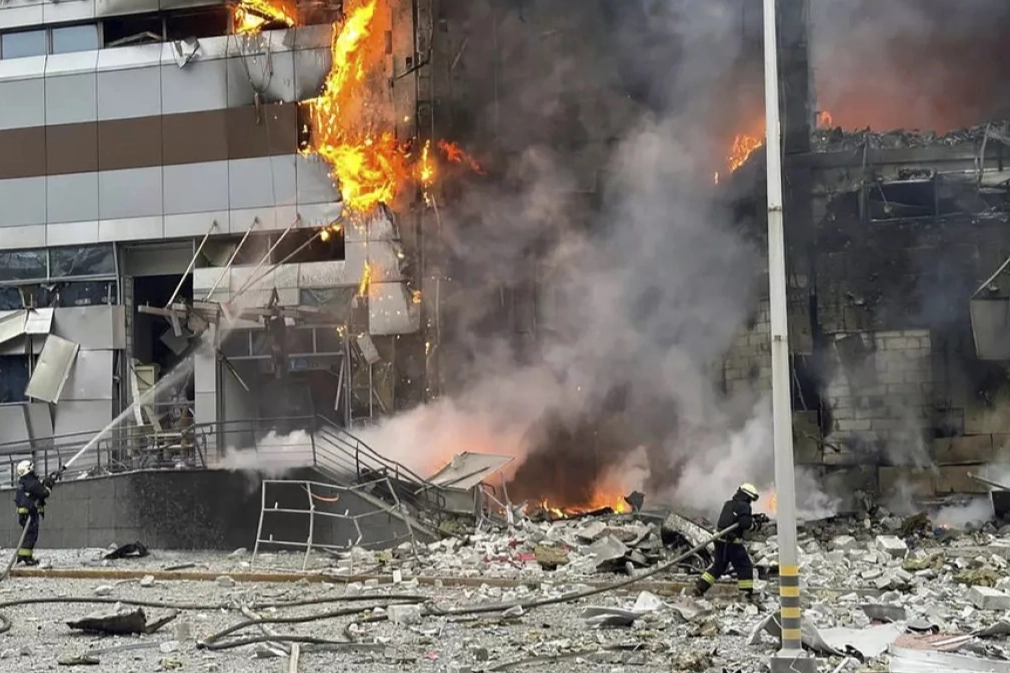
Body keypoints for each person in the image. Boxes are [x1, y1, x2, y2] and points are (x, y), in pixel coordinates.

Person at [693, 482, 769, 602]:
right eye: (750, 499)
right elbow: (745, 524)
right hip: (732, 542)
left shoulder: (728, 504)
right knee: (745, 567)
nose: (750, 502)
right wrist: (755, 525)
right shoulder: (744, 506)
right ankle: (745, 594)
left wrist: (752, 518)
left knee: (718, 567)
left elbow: (733, 520)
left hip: (720, 540)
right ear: (747, 496)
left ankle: (700, 587)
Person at [14, 460, 55, 566]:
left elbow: (34, 491)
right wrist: (49, 485)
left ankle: (24, 555)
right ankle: (26, 557)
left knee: (28, 534)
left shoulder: (23, 482)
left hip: (23, 513)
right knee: (31, 534)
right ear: (27, 469)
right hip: (30, 513)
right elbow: (43, 493)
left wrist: (43, 483)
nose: (33, 469)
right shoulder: (31, 482)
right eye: (31, 468)